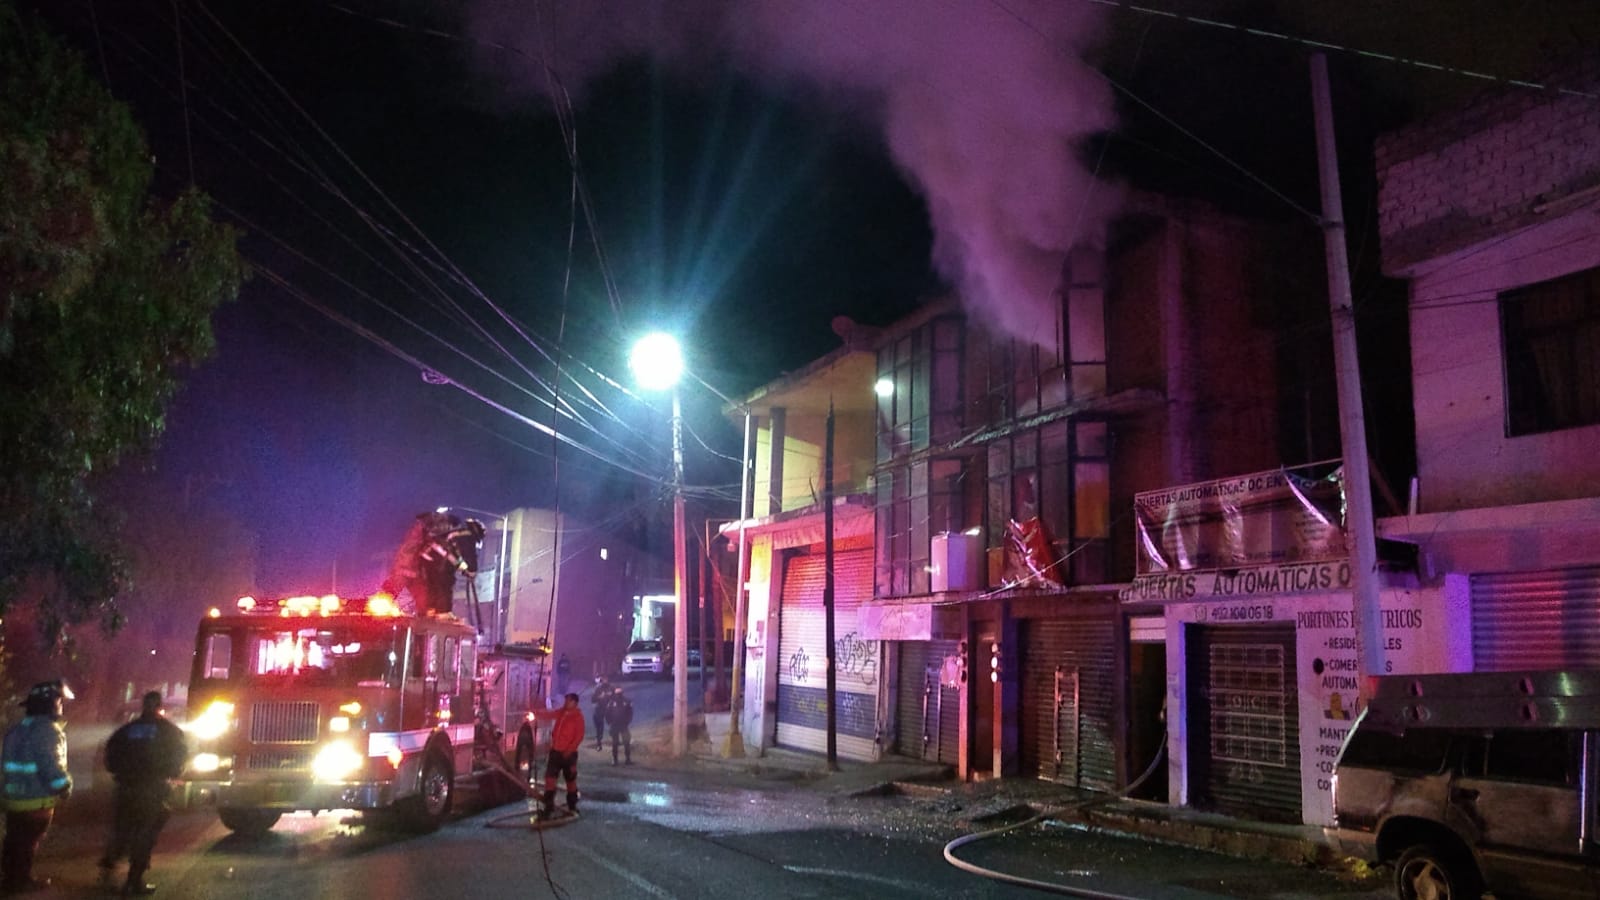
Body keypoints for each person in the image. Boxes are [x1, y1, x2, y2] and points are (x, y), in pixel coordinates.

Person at [100, 691, 189, 896]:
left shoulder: (126, 730)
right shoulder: (169, 731)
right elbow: (179, 758)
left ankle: (107, 870)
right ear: (160, 706)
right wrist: (170, 775)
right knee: (145, 833)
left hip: (126, 788)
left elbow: (110, 756)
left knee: (121, 829)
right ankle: (134, 881)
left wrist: (121, 774)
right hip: (153, 789)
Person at [1, 680, 74, 894]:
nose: (62, 705)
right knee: (28, 843)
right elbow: (51, 765)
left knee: (14, 840)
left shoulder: (16, 730)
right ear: (54, 702)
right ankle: (20, 881)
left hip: (12, 798)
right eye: (61, 701)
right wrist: (64, 787)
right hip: (36, 800)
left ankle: (9, 878)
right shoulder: (49, 731)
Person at [530, 693, 585, 819]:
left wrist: (569, 750)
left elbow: (579, 736)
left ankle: (572, 807)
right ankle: (548, 809)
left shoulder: (578, 717)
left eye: (568, 701)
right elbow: (550, 715)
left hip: (569, 755)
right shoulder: (561, 712)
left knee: (570, 781)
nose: (565, 703)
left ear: (574, 703)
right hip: (555, 752)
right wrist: (536, 714)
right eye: (565, 700)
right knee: (550, 780)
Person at [603, 687, 633, 766]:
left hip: (623, 725)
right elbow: (607, 713)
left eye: (620, 693)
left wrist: (627, 722)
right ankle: (615, 759)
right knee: (615, 743)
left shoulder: (626, 701)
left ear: (622, 693)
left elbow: (630, 713)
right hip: (615, 725)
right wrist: (609, 722)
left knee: (626, 741)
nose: (619, 695)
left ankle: (628, 759)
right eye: (617, 694)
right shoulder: (611, 702)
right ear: (615, 694)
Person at [590, 675, 615, 750]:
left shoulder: (611, 688)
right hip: (600, 708)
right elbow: (593, 699)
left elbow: (616, 697)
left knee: (614, 724)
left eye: (606, 679)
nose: (605, 681)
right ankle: (599, 743)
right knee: (599, 726)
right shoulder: (598, 688)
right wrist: (599, 697)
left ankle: (615, 740)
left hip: (609, 709)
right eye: (603, 679)